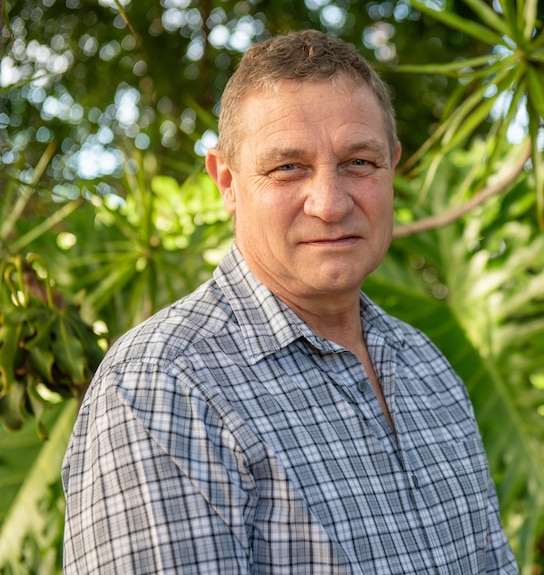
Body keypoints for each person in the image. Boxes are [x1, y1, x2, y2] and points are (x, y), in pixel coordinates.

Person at [62, 29, 518, 574]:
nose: (329, 203)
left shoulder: (425, 365)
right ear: (227, 182)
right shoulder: (163, 386)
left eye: (358, 163)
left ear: (392, 168)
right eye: (288, 168)